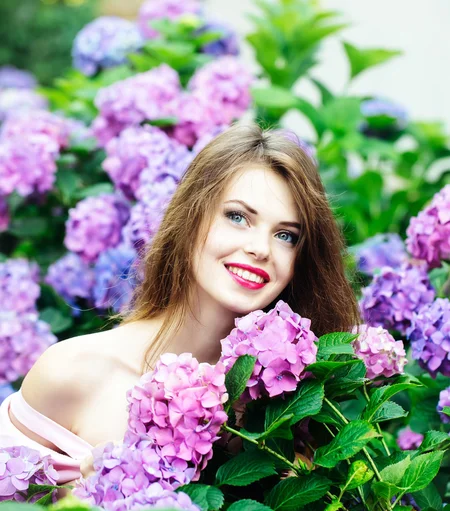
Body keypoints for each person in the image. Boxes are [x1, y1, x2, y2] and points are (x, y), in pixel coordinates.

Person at [0, 123, 360, 483]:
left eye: (286, 236)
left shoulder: (283, 410)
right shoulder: (73, 372)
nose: (261, 249)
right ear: (191, 217)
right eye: (237, 217)